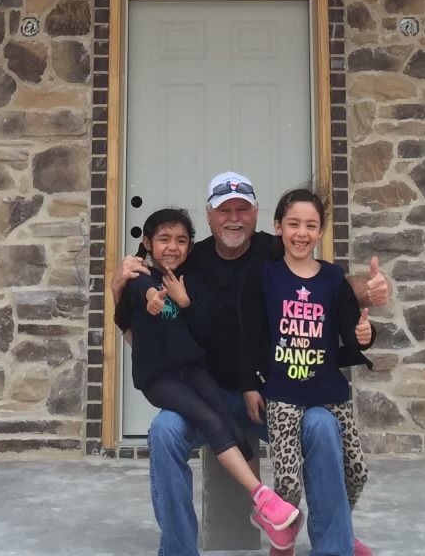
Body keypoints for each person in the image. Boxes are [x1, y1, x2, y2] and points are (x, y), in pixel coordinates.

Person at [112, 171, 390, 556]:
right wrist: (117, 285)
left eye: (243, 209)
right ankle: (177, 550)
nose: (234, 218)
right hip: (206, 396)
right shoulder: (189, 261)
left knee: (324, 425)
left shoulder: (273, 251)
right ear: (209, 217)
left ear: (257, 214)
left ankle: (334, 545)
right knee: (164, 432)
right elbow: (135, 326)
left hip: (274, 396)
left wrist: (368, 290)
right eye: (224, 210)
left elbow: (329, 280)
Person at [115, 207, 302, 549]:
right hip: (162, 378)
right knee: (196, 422)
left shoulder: (193, 280)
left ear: (191, 245)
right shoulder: (139, 276)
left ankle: (262, 509)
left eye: (181, 240)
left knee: (229, 426)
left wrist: (185, 302)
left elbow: (203, 332)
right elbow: (137, 302)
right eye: (164, 240)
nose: (172, 247)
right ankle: (260, 497)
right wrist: (148, 297)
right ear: (147, 243)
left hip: (195, 370)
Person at [247, 188, 373, 553]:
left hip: (330, 393)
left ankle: (338, 531)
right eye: (293, 224)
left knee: (357, 473)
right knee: (287, 484)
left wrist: (366, 335)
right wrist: (250, 384)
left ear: (320, 232)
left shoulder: (333, 278)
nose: (302, 233)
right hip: (284, 396)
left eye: (311, 225)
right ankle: (282, 535)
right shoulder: (267, 277)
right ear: (278, 228)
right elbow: (251, 333)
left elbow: (353, 331)